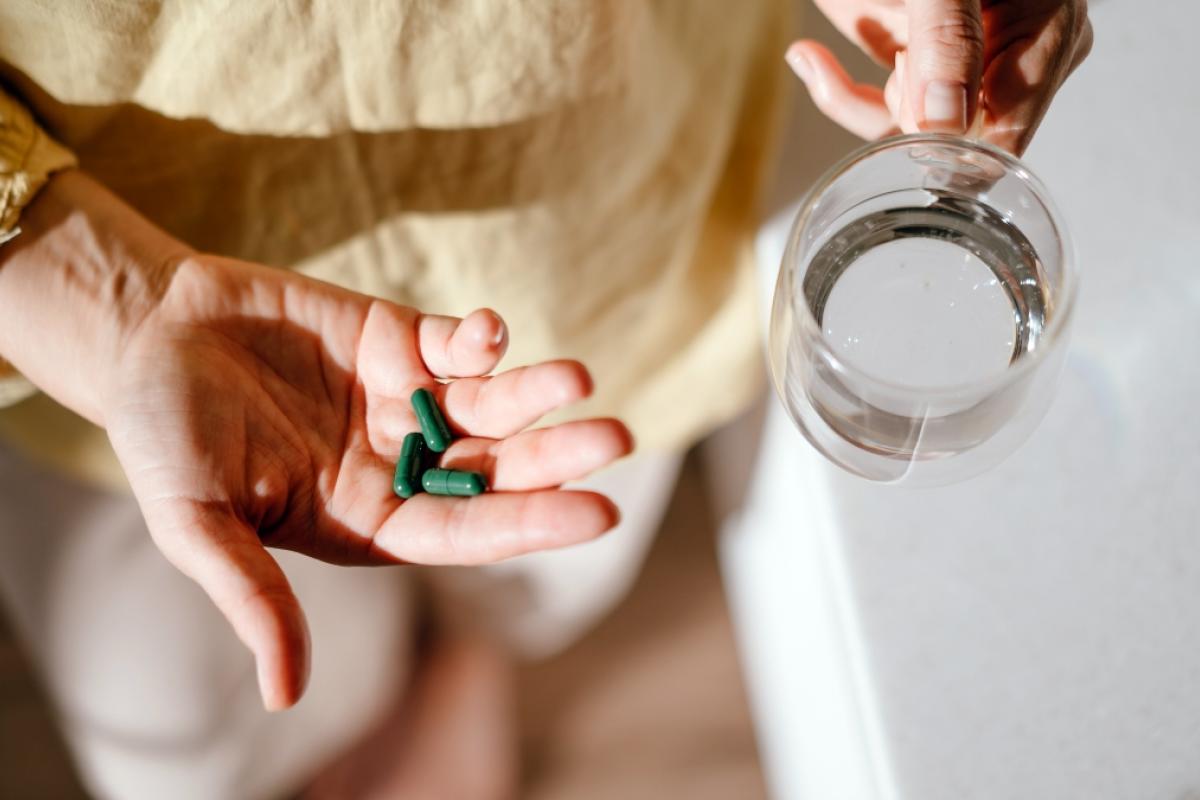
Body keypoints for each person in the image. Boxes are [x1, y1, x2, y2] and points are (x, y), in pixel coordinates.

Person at [0, 1, 1091, 797]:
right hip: (109, 307)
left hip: (601, 213)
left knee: (551, 558)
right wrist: (113, 297)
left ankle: (472, 652)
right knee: (181, 703)